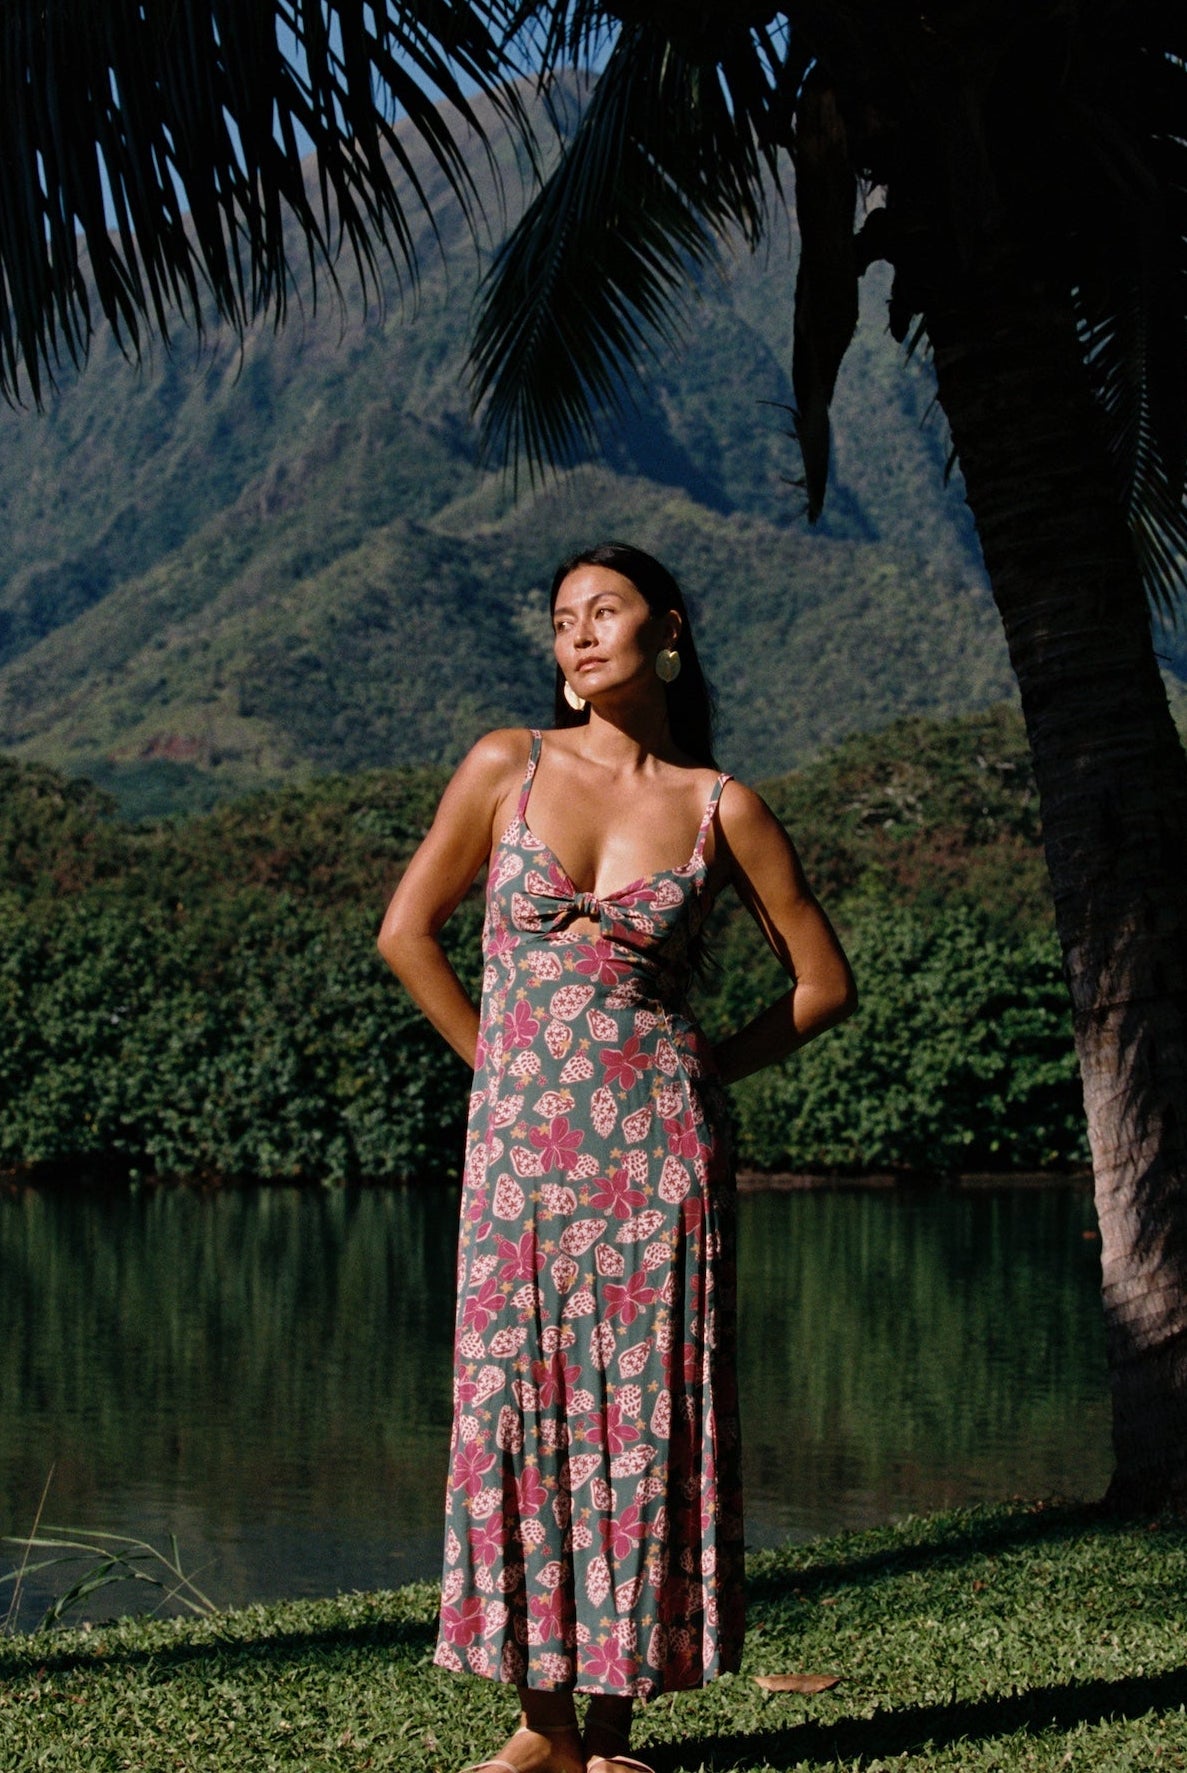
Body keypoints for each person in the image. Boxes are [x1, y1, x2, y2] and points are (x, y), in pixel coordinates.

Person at [377, 543, 856, 1773]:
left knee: (640, 1419)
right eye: (561, 620)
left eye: (604, 611)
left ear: (668, 629)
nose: (580, 634)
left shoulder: (718, 804)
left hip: (659, 1158)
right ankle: (538, 1726)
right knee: (518, 1407)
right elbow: (406, 934)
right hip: (519, 1157)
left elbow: (822, 986)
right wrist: (501, 1070)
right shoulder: (506, 764)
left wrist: (700, 1070)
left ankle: (609, 1727)